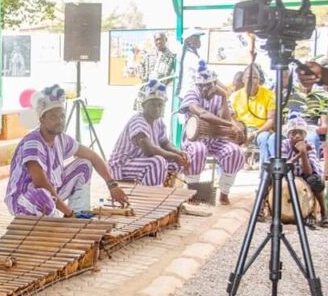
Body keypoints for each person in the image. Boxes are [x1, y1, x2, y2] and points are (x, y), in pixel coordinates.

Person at [5, 85, 129, 217]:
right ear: (41, 119)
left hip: (50, 195)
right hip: (23, 200)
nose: (59, 121)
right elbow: (40, 182)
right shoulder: (33, 142)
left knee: (84, 165)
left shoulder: (62, 139)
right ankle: (67, 219)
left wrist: (112, 185)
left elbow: (92, 156)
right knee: (44, 196)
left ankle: (79, 215)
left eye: (62, 116)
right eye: (53, 117)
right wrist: (68, 212)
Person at [179, 62, 245, 205]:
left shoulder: (220, 95)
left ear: (215, 83)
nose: (204, 88)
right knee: (198, 149)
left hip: (217, 139)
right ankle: (193, 192)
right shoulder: (192, 92)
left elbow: (226, 118)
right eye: (201, 85)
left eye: (208, 85)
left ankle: (224, 193)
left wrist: (223, 97)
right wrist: (230, 125)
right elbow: (202, 113)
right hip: (195, 139)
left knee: (235, 151)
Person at [109, 80, 189, 186]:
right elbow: (149, 150)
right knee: (157, 162)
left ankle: (163, 194)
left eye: (160, 105)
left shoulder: (158, 121)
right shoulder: (138, 120)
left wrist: (178, 152)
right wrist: (174, 156)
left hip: (140, 162)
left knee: (175, 163)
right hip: (122, 164)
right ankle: (149, 196)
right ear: (143, 105)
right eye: (152, 105)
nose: (156, 108)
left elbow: (164, 143)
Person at [279, 115, 327, 226]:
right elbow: (284, 167)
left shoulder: (309, 146)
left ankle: (324, 213)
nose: (297, 135)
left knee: (316, 181)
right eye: (294, 133)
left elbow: (309, 172)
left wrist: (304, 153)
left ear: (304, 135)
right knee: (269, 176)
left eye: (300, 133)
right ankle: (262, 207)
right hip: (287, 175)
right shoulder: (285, 144)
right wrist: (300, 153)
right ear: (288, 134)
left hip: (304, 176)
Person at [229, 64, 276, 169]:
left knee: (265, 138)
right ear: (243, 79)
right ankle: (228, 170)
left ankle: (265, 173)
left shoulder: (269, 95)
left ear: (259, 79)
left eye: (255, 77)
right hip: (241, 129)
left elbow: (271, 120)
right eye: (248, 77)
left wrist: (255, 133)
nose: (252, 80)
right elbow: (231, 118)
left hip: (261, 130)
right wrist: (241, 131)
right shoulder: (235, 96)